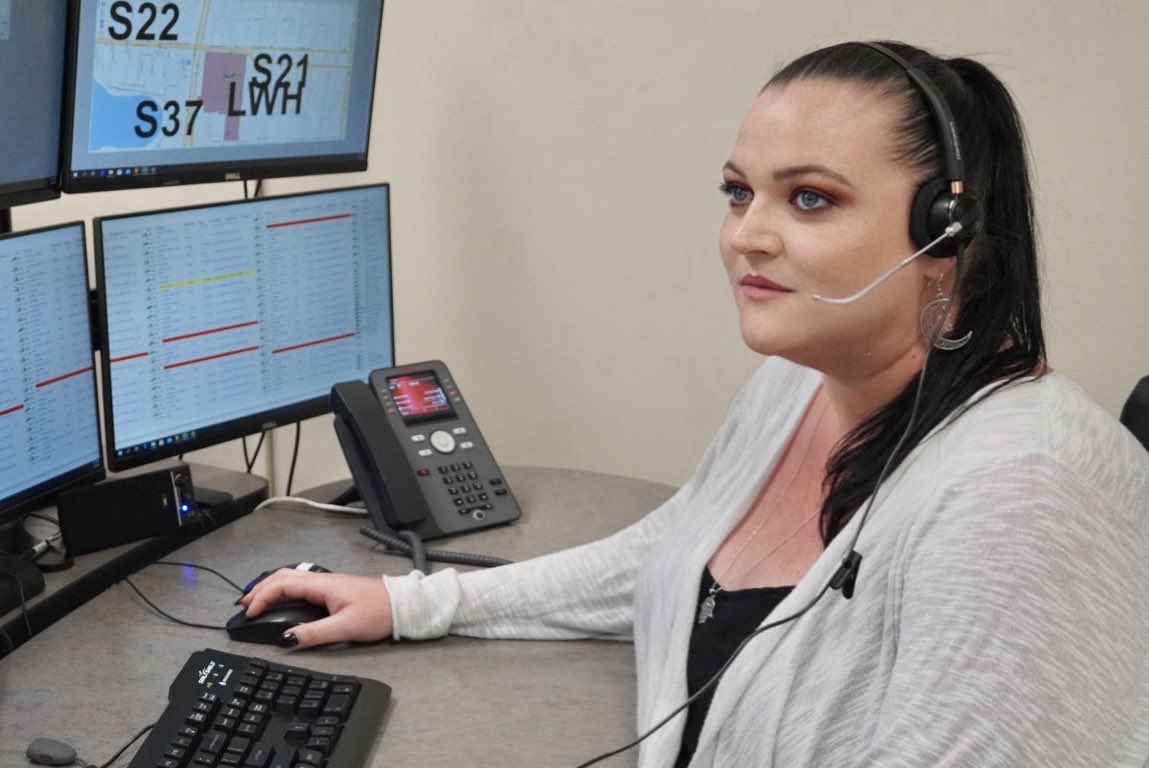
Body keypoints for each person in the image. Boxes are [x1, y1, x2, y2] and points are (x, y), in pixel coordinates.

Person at [241, 41, 1149, 766]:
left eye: (808, 198)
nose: (746, 236)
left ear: (944, 234)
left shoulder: (1019, 494)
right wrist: (410, 606)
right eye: (736, 192)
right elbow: (674, 555)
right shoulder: (796, 382)